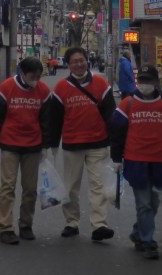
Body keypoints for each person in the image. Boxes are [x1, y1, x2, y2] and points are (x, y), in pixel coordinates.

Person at [109, 64, 162, 260]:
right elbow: (117, 133)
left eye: (148, 80)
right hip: (136, 161)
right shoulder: (127, 104)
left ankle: (138, 232)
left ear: (156, 82)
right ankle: (148, 241)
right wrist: (116, 159)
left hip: (160, 161)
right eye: (141, 80)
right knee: (144, 203)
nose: (144, 84)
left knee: (153, 202)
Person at [49, 46, 117, 241]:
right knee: (71, 187)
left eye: (81, 60)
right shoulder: (61, 88)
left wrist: (116, 144)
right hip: (72, 143)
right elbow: (55, 119)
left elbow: (111, 114)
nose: (79, 64)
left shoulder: (101, 84)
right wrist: (53, 143)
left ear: (87, 61)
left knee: (98, 186)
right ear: (68, 65)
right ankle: (71, 222)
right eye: (74, 62)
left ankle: (99, 225)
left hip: (98, 142)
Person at [0, 56, 51, 244]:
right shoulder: (6, 88)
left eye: (39, 76)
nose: (36, 80)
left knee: (30, 189)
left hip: (33, 145)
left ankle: (26, 224)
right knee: (8, 186)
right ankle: (5, 227)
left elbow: (47, 121)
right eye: (32, 75)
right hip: (9, 144)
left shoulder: (43, 91)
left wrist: (46, 145)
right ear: (22, 72)